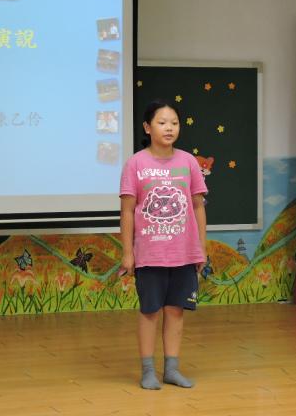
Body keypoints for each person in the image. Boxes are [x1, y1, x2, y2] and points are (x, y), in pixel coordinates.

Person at [119, 100, 207, 390]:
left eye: (174, 123)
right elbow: (127, 211)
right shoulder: (135, 163)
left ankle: (171, 369)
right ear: (147, 127)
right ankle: (147, 371)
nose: (169, 128)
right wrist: (128, 252)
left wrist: (201, 248)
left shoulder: (189, 162)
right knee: (149, 311)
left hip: (184, 253)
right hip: (150, 254)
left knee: (176, 310)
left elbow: (198, 206)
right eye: (162, 123)